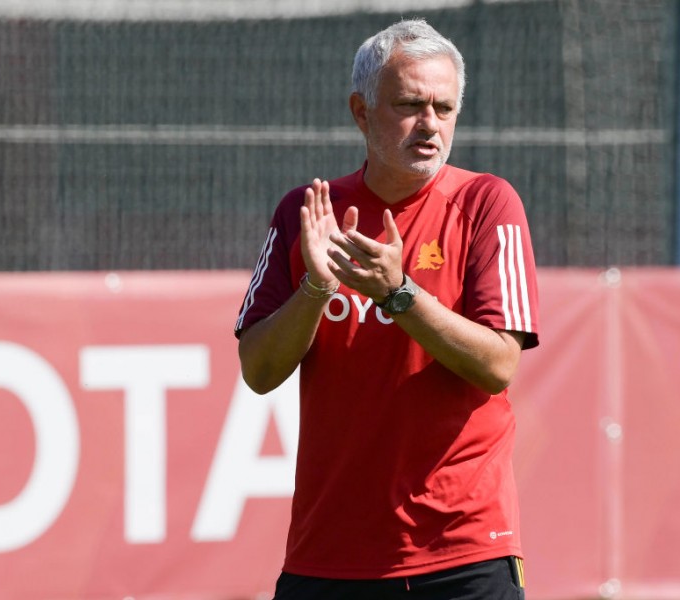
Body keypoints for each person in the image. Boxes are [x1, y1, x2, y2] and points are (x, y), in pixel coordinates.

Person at [235, 18, 539, 600]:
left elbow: (498, 365)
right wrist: (316, 290)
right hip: (329, 556)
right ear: (361, 111)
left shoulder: (487, 203)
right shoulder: (306, 212)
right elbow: (259, 371)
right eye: (410, 104)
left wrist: (397, 294)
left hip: (462, 553)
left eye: (444, 108)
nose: (430, 125)